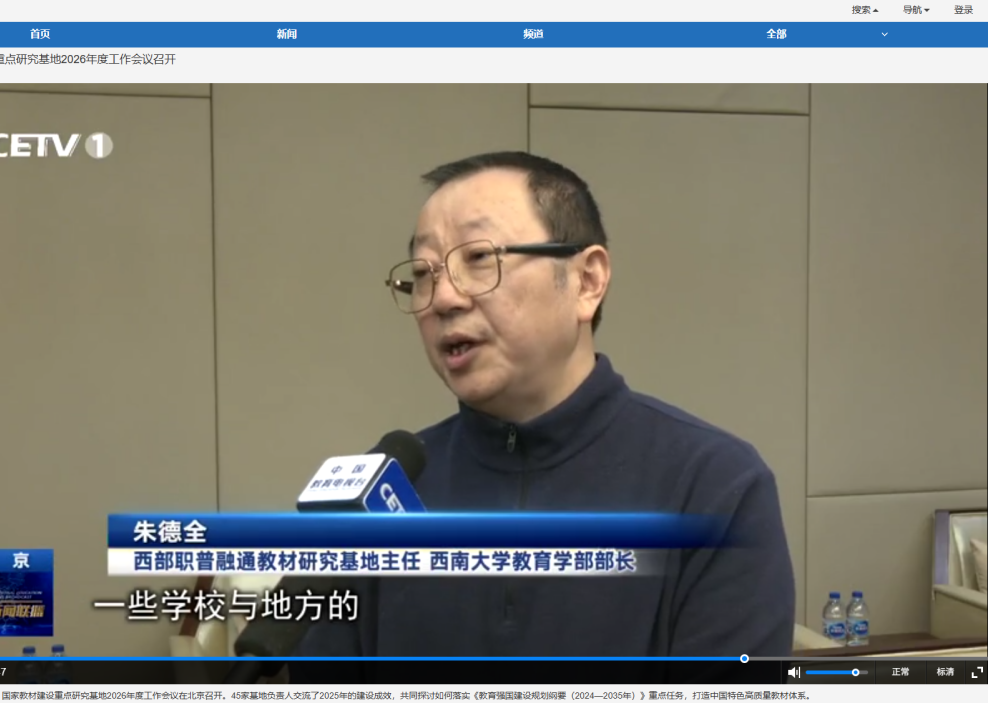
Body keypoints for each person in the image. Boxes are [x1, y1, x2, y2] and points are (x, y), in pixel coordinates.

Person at [295, 151, 795, 665]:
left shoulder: (714, 487)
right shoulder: (382, 495)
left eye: (479, 258)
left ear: (587, 281)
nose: (443, 299)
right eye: (423, 273)